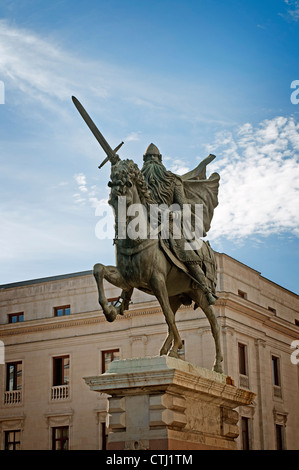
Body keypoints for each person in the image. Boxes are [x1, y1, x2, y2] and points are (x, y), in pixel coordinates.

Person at [141, 144, 219, 305]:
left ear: (160, 160)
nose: (151, 162)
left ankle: (205, 288)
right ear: (144, 161)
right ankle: (125, 298)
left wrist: (172, 214)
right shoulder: (139, 183)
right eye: (148, 158)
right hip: (145, 226)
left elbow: (184, 208)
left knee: (185, 251)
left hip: (170, 225)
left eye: (154, 158)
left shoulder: (173, 181)